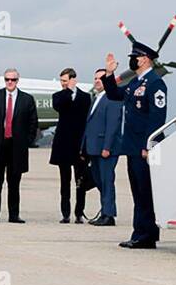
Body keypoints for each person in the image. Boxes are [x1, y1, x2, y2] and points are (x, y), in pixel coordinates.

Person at [101, 41, 168, 248]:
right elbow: (114, 94)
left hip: (143, 147)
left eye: (135, 56)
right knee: (138, 191)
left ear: (145, 59)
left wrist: (149, 145)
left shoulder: (155, 83)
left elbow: (157, 117)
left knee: (145, 191)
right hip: (131, 146)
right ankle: (140, 232)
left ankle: (146, 235)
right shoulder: (135, 83)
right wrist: (109, 75)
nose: (132, 59)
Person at [0, 68, 38, 223]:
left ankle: (14, 215)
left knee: (14, 183)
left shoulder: (27, 99)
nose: (10, 82)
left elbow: (33, 123)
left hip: (16, 146)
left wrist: (26, 142)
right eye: (7, 79)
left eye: (13, 79)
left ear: (18, 80)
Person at [82, 68, 124, 226]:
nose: (97, 81)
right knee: (99, 181)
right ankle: (105, 210)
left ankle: (109, 215)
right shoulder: (97, 98)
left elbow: (113, 125)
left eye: (101, 78)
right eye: (95, 78)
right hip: (93, 148)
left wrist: (107, 147)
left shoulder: (112, 98)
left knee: (107, 181)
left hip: (105, 149)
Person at [49, 68, 92, 223]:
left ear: (74, 80)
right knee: (64, 181)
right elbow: (60, 106)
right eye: (61, 81)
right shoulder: (58, 96)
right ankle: (65, 213)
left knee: (80, 181)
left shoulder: (86, 97)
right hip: (63, 145)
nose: (63, 84)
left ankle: (79, 212)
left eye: (65, 81)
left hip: (79, 145)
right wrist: (68, 91)